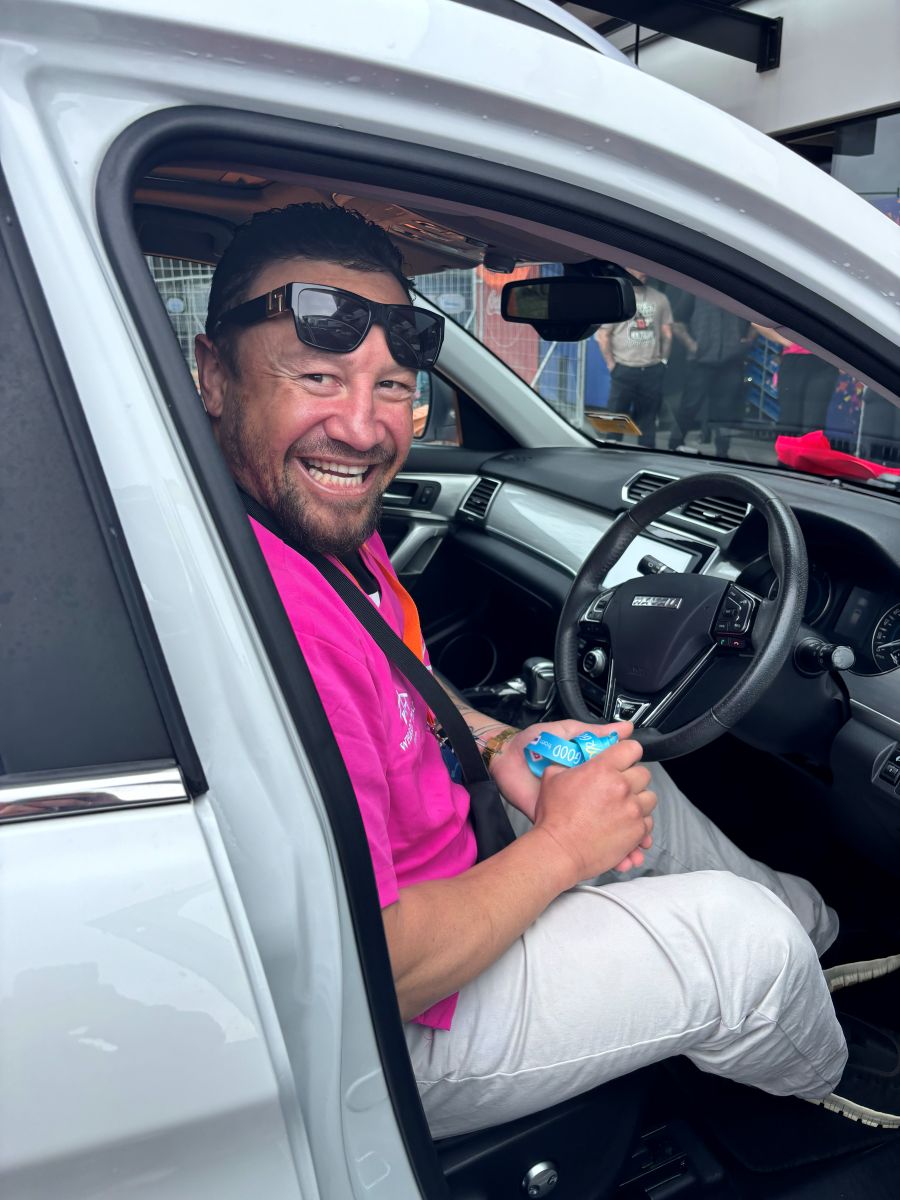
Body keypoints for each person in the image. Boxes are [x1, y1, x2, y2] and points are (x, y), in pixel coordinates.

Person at [195, 202, 900, 1139]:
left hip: (457, 860)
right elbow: (380, 964)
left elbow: (397, 671)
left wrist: (499, 743)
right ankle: (823, 1073)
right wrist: (562, 849)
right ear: (211, 374)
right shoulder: (257, 614)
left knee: (618, 767)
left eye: (393, 388)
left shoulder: (299, 526)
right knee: (745, 944)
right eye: (318, 377)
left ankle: (821, 952)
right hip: (402, 1023)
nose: (363, 431)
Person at [595, 269, 673, 446]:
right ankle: (610, 458)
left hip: (652, 369)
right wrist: (611, 365)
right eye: (636, 268)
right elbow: (603, 335)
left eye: (645, 268)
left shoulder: (660, 299)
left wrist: (664, 361)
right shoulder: (616, 298)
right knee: (615, 421)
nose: (643, 272)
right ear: (626, 270)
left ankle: (648, 458)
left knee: (648, 422)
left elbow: (667, 333)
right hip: (624, 369)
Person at [670, 297, 753, 454]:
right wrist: (691, 345)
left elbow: (757, 322)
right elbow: (677, 321)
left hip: (731, 361)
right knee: (690, 405)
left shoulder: (739, 294)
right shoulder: (696, 290)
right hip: (700, 360)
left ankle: (722, 451)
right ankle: (675, 443)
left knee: (726, 410)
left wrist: (747, 340)